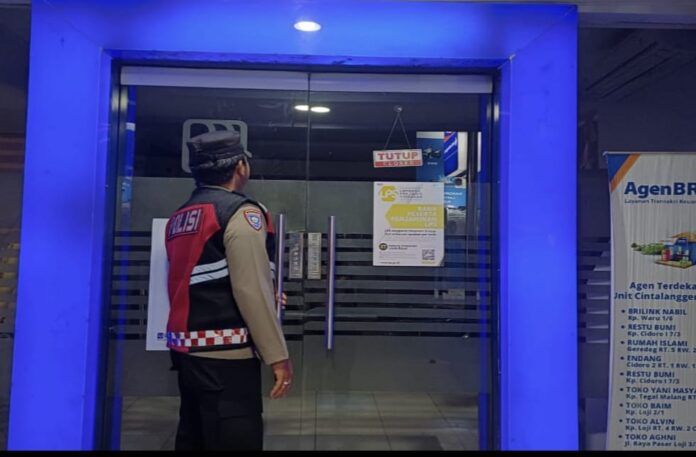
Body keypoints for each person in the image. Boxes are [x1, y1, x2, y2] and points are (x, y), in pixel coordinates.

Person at [165, 130, 293, 450]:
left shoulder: (181, 215)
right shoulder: (240, 213)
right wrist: (277, 356)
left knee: (195, 438)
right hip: (227, 356)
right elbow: (251, 290)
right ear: (240, 167)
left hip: (186, 352)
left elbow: (198, 277)